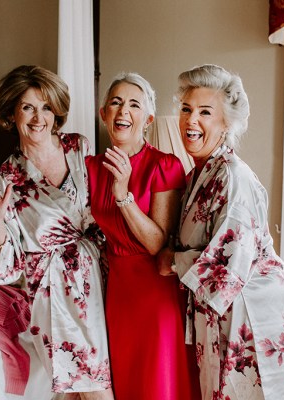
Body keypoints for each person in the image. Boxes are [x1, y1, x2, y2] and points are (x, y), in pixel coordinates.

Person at [0, 65, 113, 400]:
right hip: (51, 292)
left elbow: (108, 211)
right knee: (89, 389)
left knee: (80, 391)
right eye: (27, 107)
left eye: (45, 106)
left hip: (102, 280)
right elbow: (12, 265)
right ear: (11, 112)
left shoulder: (80, 148)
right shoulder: (6, 177)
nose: (38, 117)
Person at [157, 64, 284, 399]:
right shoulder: (200, 173)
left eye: (205, 112)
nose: (191, 121)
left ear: (226, 123)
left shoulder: (233, 177)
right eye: (186, 109)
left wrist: (173, 260)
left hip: (252, 308)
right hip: (225, 309)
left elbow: (229, 265)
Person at [85, 72, 201, 400]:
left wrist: (123, 195)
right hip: (115, 291)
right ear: (103, 113)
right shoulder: (90, 167)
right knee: (124, 380)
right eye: (116, 103)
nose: (124, 111)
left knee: (155, 384)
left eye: (134, 105)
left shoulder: (164, 166)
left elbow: (156, 243)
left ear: (147, 119)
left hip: (155, 292)